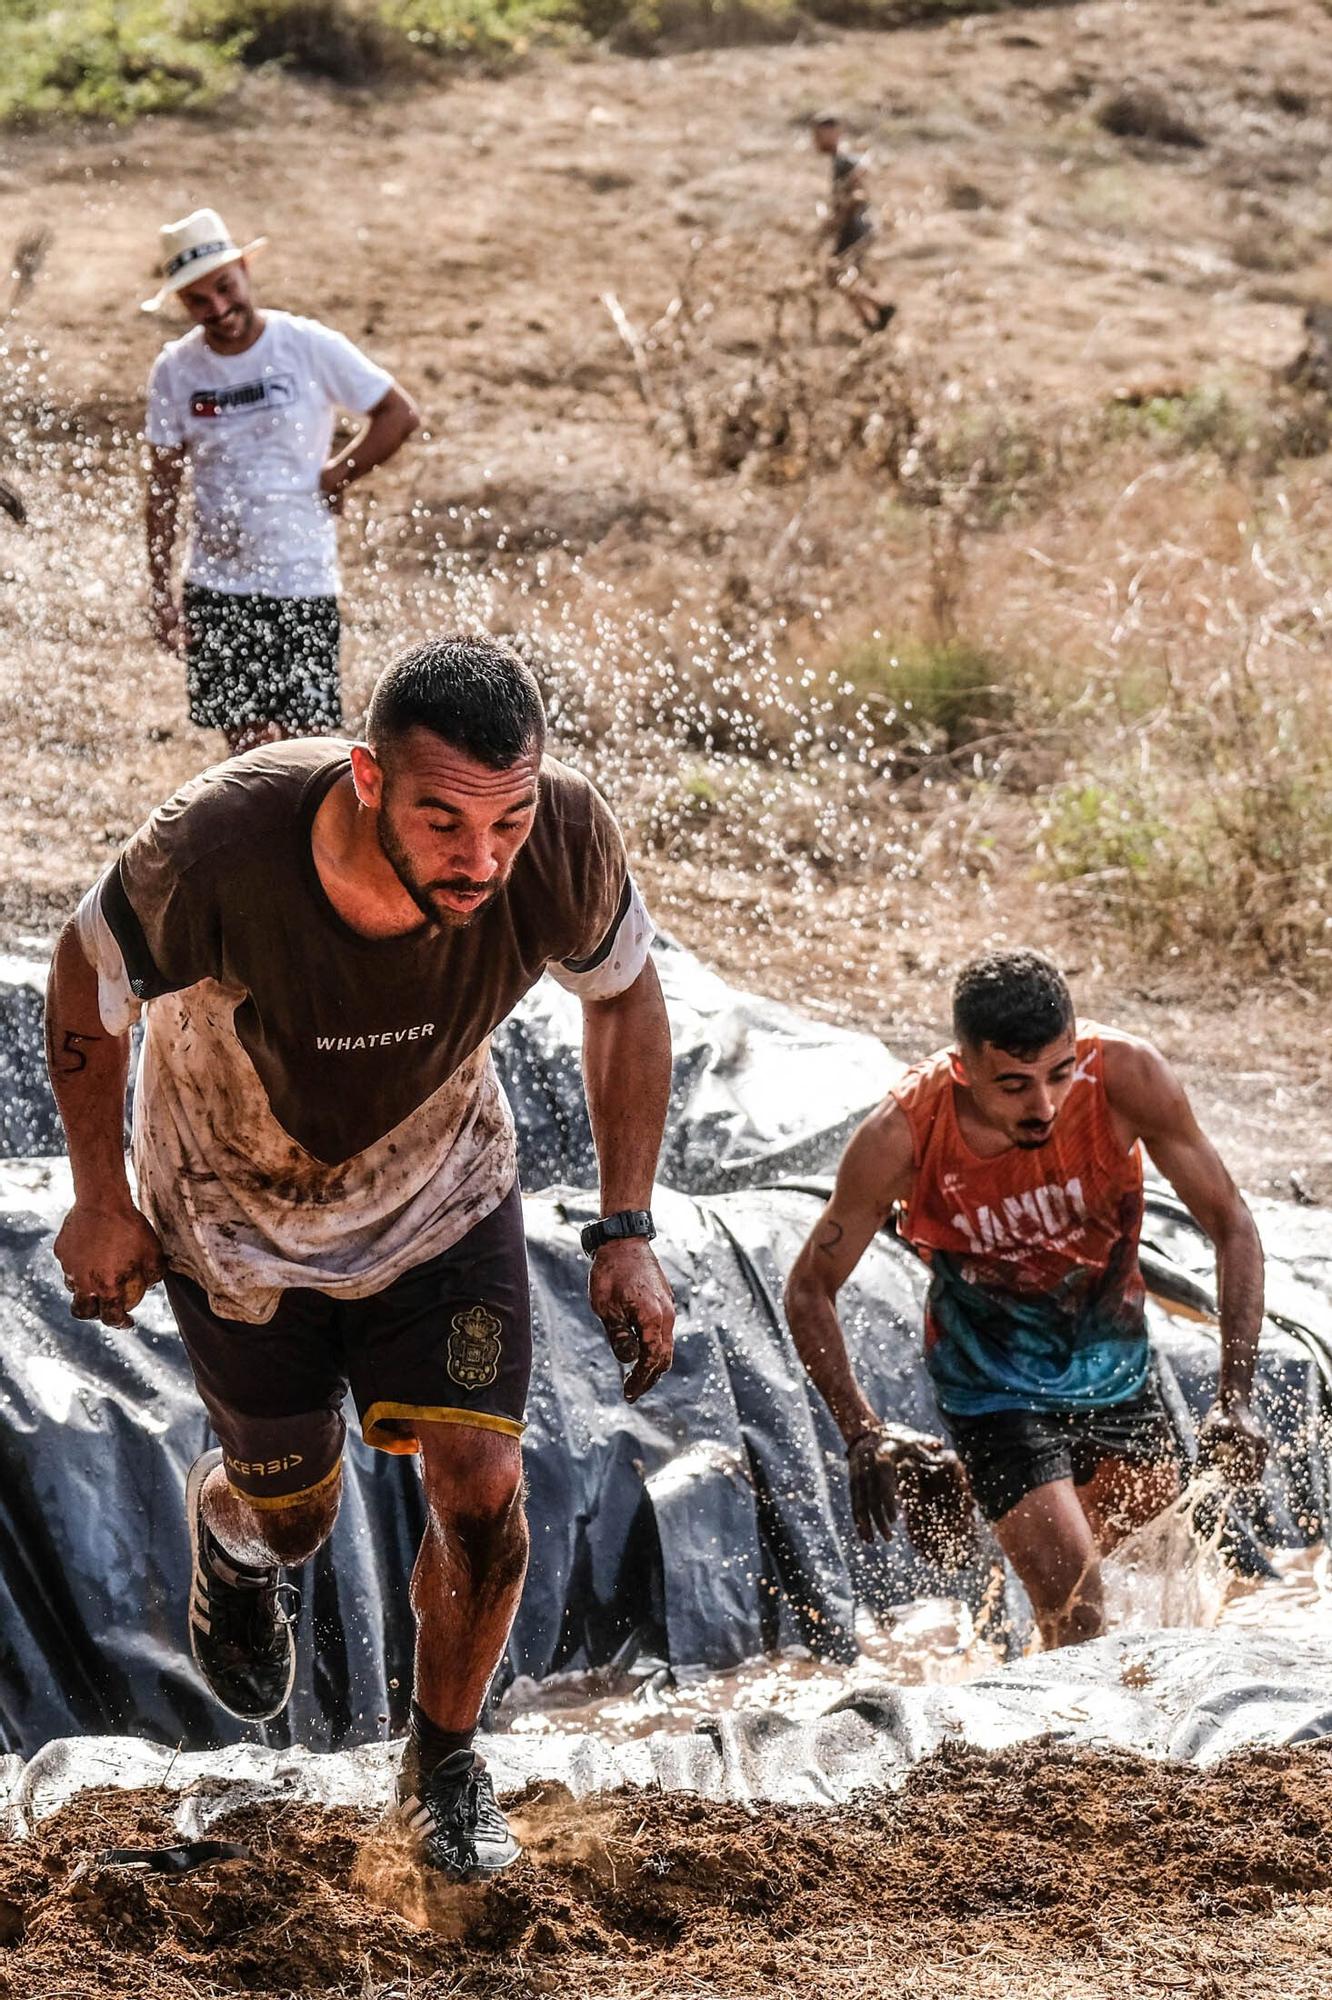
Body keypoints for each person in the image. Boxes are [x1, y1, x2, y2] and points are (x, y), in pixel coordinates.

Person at [44, 634, 676, 1879]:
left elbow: (627, 992)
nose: (481, 860)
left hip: (440, 1192)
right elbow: (84, 973)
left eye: (508, 821)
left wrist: (627, 1227)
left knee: (484, 1487)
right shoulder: (221, 844)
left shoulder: (565, 841)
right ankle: (232, 1535)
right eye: (445, 821)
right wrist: (98, 1198)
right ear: (369, 776)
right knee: (296, 1513)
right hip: (235, 1208)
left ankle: (443, 1763)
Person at [784, 948, 1268, 1649]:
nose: (1043, 1107)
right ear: (963, 1068)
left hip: (1119, 1375)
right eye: (1012, 1085)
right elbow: (807, 1288)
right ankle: (1075, 1755)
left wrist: (1238, 1395)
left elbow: (1233, 1222)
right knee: (1079, 1609)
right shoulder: (903, 1135)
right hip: (994, 1390)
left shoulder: (1128, 1076)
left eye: (1059, 1074)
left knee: (1167, 1604)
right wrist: (863, 1429)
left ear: (1078, 1050)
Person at [142, 207, 420, 756]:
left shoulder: (305, 345)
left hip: (300, 577)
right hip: (218, 584)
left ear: (246, 270)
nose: (219, 309)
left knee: (304, 755)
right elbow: (162, 486)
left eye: (226, 287)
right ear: (182, 304)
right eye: (199, 300)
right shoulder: (176, 370)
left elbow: (398, 413)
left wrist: (340, 471)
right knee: (247, 760)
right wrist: (158, 588)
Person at [810, 112, 895, 337]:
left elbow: (857, 195)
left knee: (838, 275)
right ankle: (870, 319)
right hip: (853, 226)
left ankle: (880, 308)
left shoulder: (844, 161)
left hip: (855, 227)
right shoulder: (842, 161)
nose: (815, 141)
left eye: (819, 135)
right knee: (842, 276)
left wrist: (837, 219)